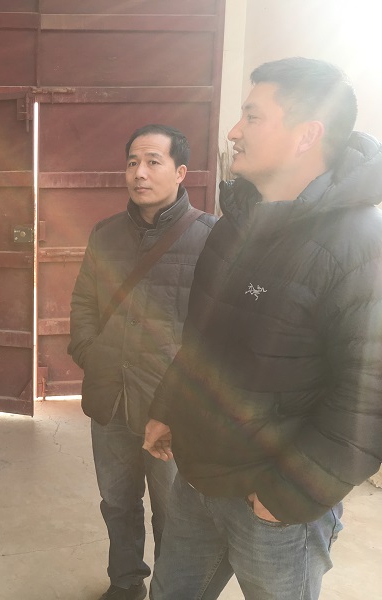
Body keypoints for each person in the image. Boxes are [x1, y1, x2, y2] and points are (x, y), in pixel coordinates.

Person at [144, 57, 382, 599]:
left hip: (275, 508)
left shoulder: (361, 245)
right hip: (198, 476)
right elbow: (202, 341)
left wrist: (290, 494)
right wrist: (168, 407)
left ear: (306, 135)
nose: (233, 132)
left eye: (252, 117)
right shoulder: (236, 225)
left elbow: (369, 394)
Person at [68, 125, 216, 600]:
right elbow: (83, 304)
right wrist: (91, 353)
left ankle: (169, 590)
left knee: (174, 511)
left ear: (181, 171)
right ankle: (126, 581)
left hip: (171, 408)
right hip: (110, 397)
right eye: (132, 162)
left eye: (153, 161)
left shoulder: (211, 238)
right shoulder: (106, 234)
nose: (139, 173)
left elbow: (217, 332)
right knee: (117, 501)